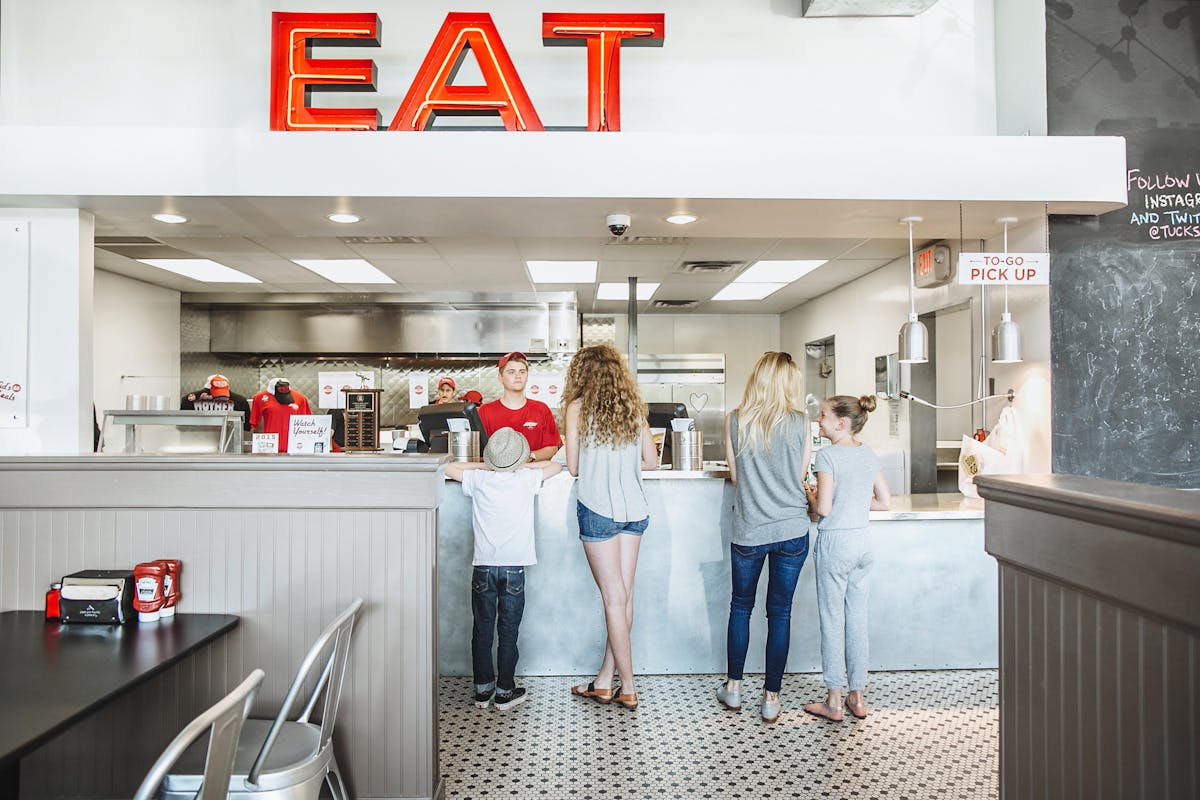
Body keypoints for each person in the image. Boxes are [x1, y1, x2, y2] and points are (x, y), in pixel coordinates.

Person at [715, 351, 813, 723]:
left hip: (750, 529)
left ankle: (735, 690)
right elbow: (802, 476)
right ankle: (771, 698)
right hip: (792, 530)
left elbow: (738, 478)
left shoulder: (735, 421)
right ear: (789, 383)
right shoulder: (802, 423)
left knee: (741, 606)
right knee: (780, 612)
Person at [563, 344, 658, 711]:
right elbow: (651, 460)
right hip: (634, 508)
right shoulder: (632, 409)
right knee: (623, 596)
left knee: (614, 598)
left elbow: (573, 468)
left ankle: (628, 686)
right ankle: (605, 680)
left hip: (598, 508)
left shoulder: (578, 409)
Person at [444, 427, 562, 711]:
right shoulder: (527, 477)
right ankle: (505, 691)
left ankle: (483, 691)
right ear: (520, 459)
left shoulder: (478, 478)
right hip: (513, 571)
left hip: (482, 568)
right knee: (508, 631)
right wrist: (521, 464)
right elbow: (556, 464)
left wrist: (484, 465)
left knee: (482, 630)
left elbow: (447, 467)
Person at [802, 394, 890, 723]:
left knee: (832, 618)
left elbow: (822, 508)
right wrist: (854, 502)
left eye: (823, 415)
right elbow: (883, 501)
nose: (819, 420)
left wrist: (809, 493)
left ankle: (834, 700)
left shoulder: (827, 456)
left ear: (841, 423)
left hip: (836, 543)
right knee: (856, 619)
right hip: (863, 544)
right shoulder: (867, 453)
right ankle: (858, 696)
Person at [477, 352, 562, 461]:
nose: (518, 376)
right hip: (496, 475)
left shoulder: (541, 409)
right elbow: (478, 451)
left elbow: (552, 446)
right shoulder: (486, 411)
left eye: (522, 372)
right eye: (511, 372)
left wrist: (529, 457)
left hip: (533, 474)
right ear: (500, 378)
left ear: (527, 377)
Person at [248, 377, 311, 452]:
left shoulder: (300, 399)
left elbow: (307, 425)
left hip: (294, 446)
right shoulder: (259, 398)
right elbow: (253, 423)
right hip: (270, 445)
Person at [181, 373, 252, 430]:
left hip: (229, 441)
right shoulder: (189, 400)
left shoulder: (241, 401)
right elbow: (182, 425)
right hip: (196, 440)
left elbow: (246, 427)